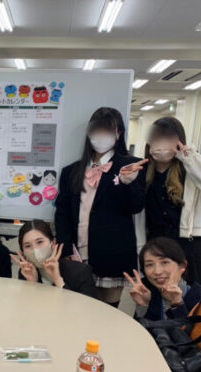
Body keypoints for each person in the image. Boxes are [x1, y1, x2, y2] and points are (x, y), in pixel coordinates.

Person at [55, 107, 147, 307]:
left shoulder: (131, 165)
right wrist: (66, 248)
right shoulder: (71, 171)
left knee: (106, 311)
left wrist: (127, 182)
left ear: (118, 133)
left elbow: (135, 207)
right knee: (75, 309)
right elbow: (62, 212)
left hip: (112, 253)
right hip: (77, 253)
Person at [143, 117, 201, 290]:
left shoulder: (191, 172)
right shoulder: (142, 173)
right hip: (154, 252)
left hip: (189, 249)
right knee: (154, 303)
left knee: (198, 303)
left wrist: (190, 158)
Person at [125, 237, 201, 321]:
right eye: (149, 265)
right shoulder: (151, 294)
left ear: (182, 265)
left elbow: (195, 330)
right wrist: (144, 306)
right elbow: (148, 328)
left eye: (164, 262)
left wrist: (177, 304)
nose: (157, 271)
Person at [12, 220, 96, 297]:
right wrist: (32, 285)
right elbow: (25, 306)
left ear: (53, 243)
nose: (35, 250)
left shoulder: (81, 271)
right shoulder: (26, 272)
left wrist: (58, 281)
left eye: (40, 242)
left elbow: (86, 307)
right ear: (22, 251)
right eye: (27, 246)